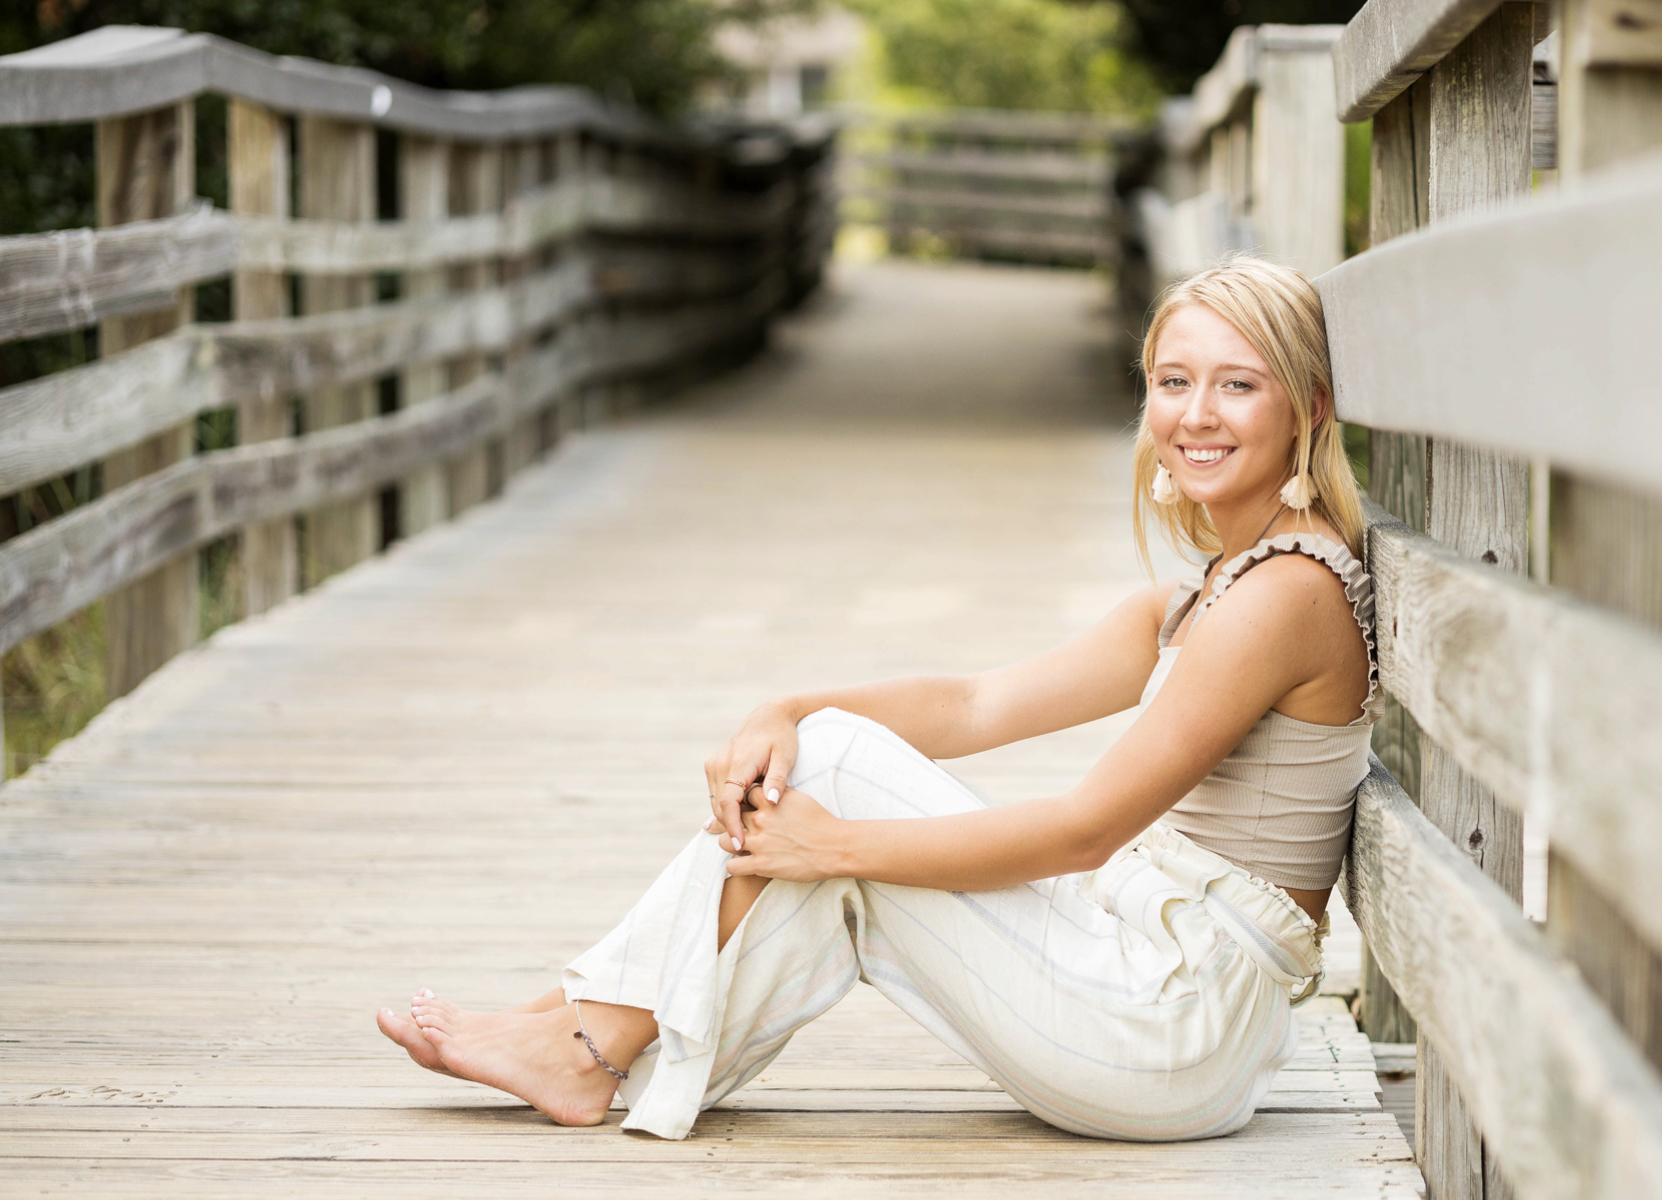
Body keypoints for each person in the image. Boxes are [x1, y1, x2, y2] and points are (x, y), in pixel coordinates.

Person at [376, 255, 1378, 1141]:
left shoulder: (1284, 594)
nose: (1195, 415)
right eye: (1173, 382)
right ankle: (580, 1038)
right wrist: (789, 709)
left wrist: (836, 840)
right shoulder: (1208, 592)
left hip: (1173, 1027)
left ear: (1310, 406)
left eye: (1237, 386)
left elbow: (1081, 832)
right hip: (1154, 991)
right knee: (824, 768)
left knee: (838, 787)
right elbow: (977, 705)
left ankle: (581, 1040)